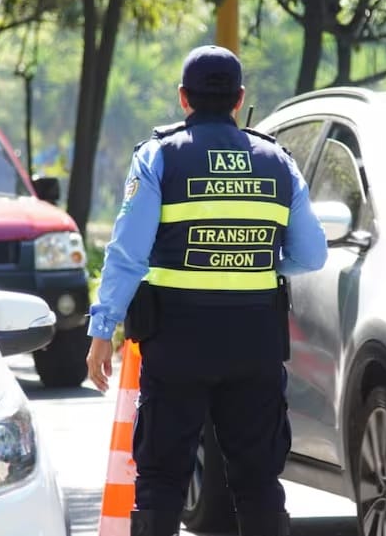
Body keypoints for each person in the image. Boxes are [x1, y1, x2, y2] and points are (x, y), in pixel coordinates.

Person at [86, 45, 328, 536]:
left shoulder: (159, 156)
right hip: (254, 343)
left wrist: (101, 329)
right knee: (259, 479)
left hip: (176, 343)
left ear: (183, 98)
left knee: (161, 478)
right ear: (240, 100)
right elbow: (312, 255)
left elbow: (127, 254)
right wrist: (254, 261)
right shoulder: (278, 162)